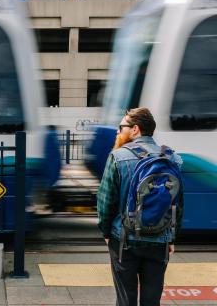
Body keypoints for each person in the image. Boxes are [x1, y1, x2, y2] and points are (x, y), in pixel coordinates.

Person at [97, 107, 184, 306]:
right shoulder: (171, 158)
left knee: (125, 299)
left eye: (121, 127)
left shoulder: (118, 157)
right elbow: (178, 203)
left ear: (135, 129)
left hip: (124, 239)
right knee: (152, 299)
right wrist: (171, 236)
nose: (118, 131)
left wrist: (106, 232)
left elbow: (105, 201)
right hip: (159, 238)